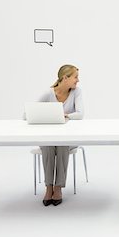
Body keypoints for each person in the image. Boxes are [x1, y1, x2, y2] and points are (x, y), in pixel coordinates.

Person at [34, 65, 83, 206]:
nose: (78, 80)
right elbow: (27, 114)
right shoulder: (48, 94)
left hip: (68, 138)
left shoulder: (76, 92)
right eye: (75, 77)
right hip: (48, 137)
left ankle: (58, 187)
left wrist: (64, 115)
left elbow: (80, 114)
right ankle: (48, 187)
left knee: (62, 144)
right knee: (49, 144)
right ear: (65, 78)